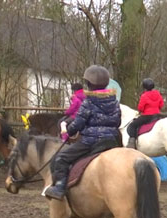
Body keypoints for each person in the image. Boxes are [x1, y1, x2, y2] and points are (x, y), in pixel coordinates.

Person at [44, 65, 121, 201]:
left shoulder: (89, 102)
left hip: (91, 141)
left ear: (89, 84)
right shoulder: (114, 101)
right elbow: (117, 122)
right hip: (111, 140)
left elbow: (78, 123)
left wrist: (69, 130)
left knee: (61, 158)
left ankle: (60, 188)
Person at [125, 78, 164, 149]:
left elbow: (140, 107)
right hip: (157, 115)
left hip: (147, 116)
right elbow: (161, 104)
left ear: (144, 87)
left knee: (133, 125)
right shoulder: (158, 94)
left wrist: (141, 111)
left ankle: (131, 144)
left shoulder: (144, 96)